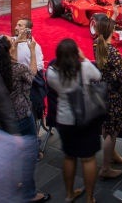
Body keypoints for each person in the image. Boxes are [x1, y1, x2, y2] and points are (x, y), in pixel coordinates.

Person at [0, 36, 50, 203]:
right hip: (21, 115)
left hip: (0, 117)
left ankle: (11, 183)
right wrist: (31, 51)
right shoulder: (17, 69)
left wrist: (11, 49)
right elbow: (32, 74)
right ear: (8, 49)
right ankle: (29, 193)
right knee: (29, 155)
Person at [46, 39, 101, 203]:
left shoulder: (51, 73)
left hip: (64, 119)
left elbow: (54, 88)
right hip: (85, 117)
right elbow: (98, 76)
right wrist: (83, 59)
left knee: (69, 156)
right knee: (88, 158)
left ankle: (69, 194)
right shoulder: (84, 67)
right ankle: (90, 198)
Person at [91, 13, 122, 179]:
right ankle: (105, 168)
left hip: (102, 93)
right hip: (113, 95)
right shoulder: (112, 51)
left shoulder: (97, 45)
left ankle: (112, 155)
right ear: (111, 31)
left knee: (107, 128)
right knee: (112, 131)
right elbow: (120, 75)